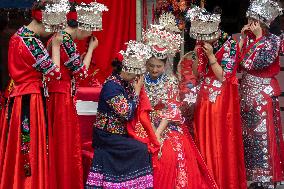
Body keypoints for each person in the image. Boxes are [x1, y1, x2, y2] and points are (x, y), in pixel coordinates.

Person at [143, 13, 218, 189]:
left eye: (158, 66)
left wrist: (157, 134)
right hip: (144, 120)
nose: (154, 70)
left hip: (165, 124)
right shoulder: (141, 78)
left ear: (165, 64)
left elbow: (171, 110)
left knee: (169, 153)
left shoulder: (170, 80)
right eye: (151, 66)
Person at [0, 1, 69, 188]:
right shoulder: (31, 42)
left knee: (22, 145)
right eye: (53, 28)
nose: (53, 33)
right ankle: (28, 183)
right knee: (29, 146)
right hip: (29, 101)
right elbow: (55, 73)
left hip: (20, 97)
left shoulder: (19, 36)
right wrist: (55, 46)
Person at [46, 2, 106, 188]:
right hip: (61, 94)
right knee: (64, 142)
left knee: (57, 141)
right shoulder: (65, 40)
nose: (89, 36)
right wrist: (90, 50)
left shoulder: (55, 38)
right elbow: (82, 74)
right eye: (90, 32)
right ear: (82, 27)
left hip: (56, 93)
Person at [187, 7, 247, 189]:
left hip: (221, 98)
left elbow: (224, 77)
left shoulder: (230, 45)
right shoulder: (201, 42)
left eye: (207, 36)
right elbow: (198, 73)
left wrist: (212, 56)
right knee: (202, 136)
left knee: (218, 139)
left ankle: (220, 180)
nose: (204, 40)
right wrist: (198, 55)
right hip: (204, 96)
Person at [85, 41, 154, 189]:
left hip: (119, 133)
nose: (138, 77)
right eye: (136, 73)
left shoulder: (124, 83)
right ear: (128, 70)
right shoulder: (112, 86)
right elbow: (127, 113)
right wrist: (136, 92)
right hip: (107, 135)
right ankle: (124, 184)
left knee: (144, 145)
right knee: (141, 149)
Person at [238, 0, 284, 188]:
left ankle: (266, 179)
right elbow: (239, 62)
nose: (249, 24)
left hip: (262, 94)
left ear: (261, 23)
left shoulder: (273, 41)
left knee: (264, 135)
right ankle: (254, 177)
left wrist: (257, 39)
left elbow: (253, 63)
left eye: (252, 20)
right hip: (247, 94)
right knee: (249, 137)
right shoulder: (247, 39)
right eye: (248, 20)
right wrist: (243, 41)